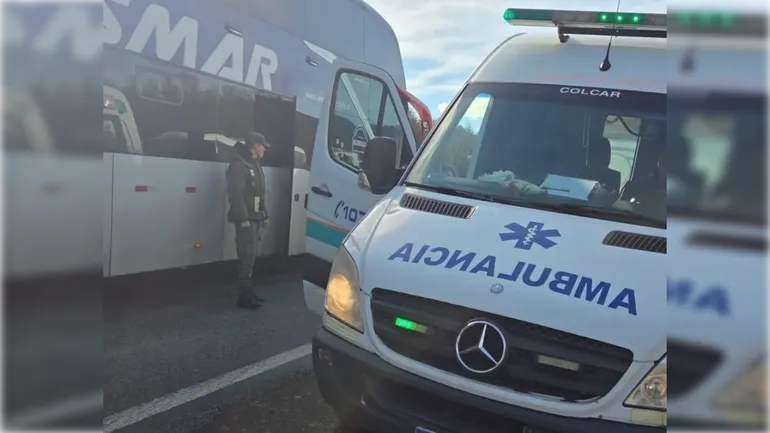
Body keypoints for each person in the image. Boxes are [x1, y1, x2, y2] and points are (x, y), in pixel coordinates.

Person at [226, 132, 270, 310]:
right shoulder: (239, 165)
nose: (264, 149)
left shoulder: (254, 165)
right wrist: (243, 218)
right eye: (262, 145)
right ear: (255, 145)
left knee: (251, 257)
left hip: (254, 218)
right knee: (246, 257)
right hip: (246, 221)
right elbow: (236, 195)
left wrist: (262, 214)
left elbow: (257, 195)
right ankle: (244, 296)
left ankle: (249, 292)